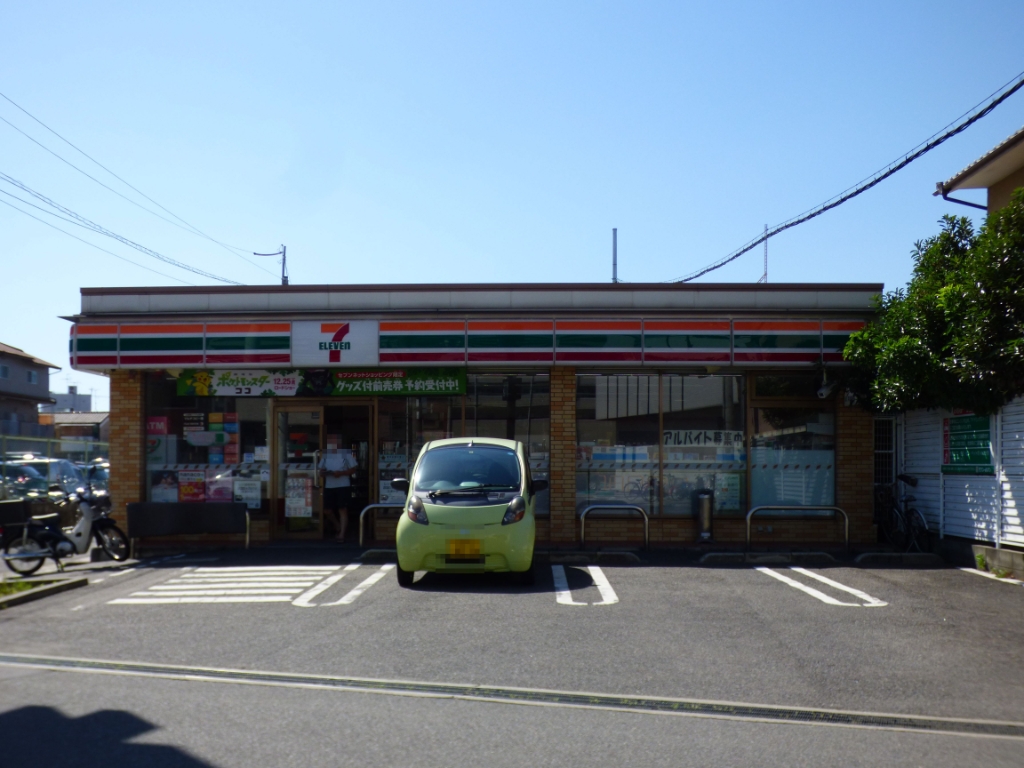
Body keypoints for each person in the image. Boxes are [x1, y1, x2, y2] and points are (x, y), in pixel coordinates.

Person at [318, 445, 357, 541]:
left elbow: (354, 469)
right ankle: (337, 525)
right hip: (329, 486)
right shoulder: (326, 455)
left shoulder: (345, 454)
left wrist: (341, 473)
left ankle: (342, 534)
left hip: (343, 485)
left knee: (342, 509)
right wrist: (325, 473)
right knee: (327, 510)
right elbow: (321, 471)